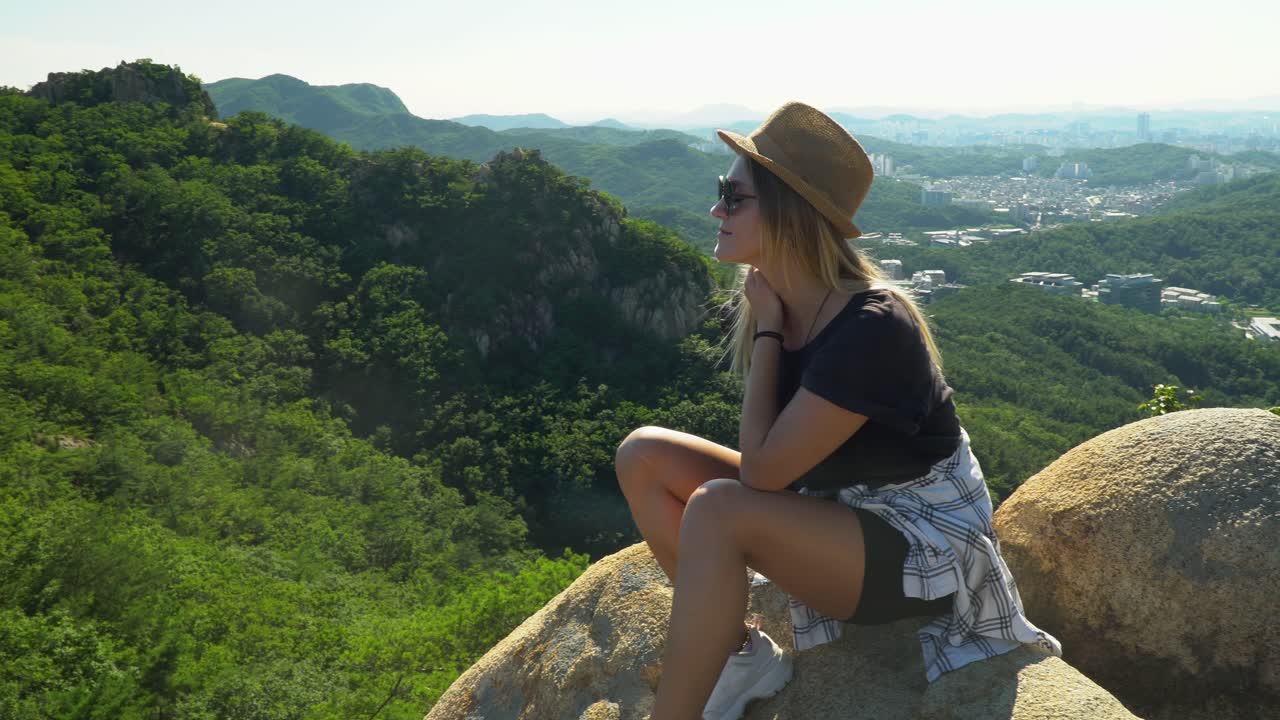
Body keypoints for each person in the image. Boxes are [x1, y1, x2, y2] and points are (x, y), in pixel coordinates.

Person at [614, 102, 1061, 720]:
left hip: (920, 548)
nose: (717, 209)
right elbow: (770, 470)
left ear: (792, 214)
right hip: (846, 513)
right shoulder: (784, 300)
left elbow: (763, 477)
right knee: (644, 456)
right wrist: (769, 323)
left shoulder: (872, 326)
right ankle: (742, 655)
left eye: (734, 196)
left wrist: (768, 333)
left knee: (719, 509)